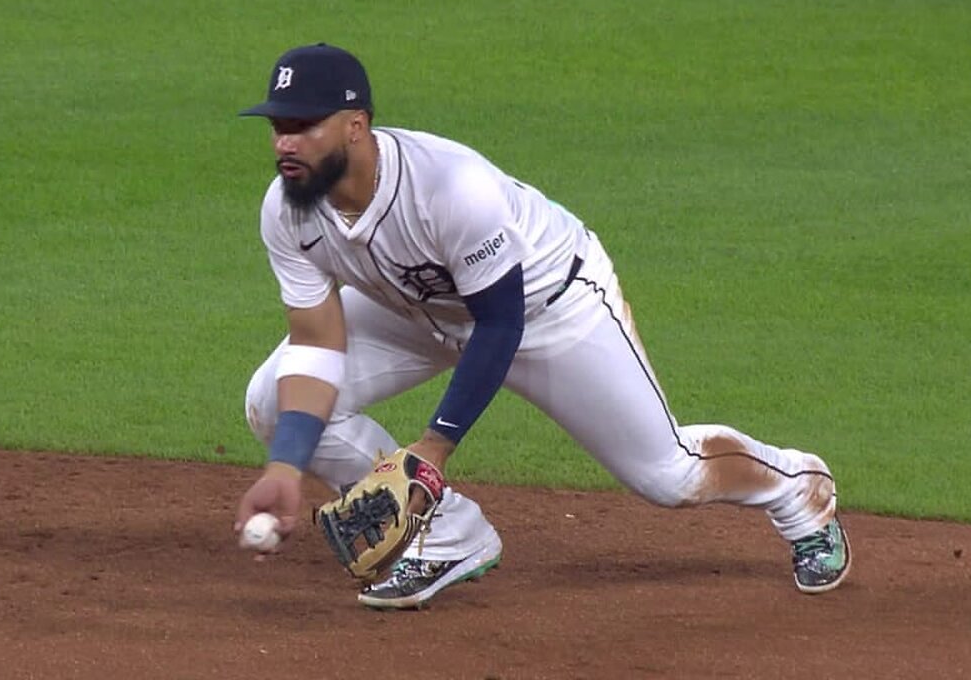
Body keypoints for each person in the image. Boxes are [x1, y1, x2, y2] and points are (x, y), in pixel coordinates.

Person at [232, 43, 851, 609]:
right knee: (273, 403)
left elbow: (501, 322)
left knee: (669, 474)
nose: (285, 143)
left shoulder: (448, 186)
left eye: (303, 126)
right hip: (418, 309)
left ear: (356, 125)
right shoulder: (287, 211)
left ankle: (800, 490)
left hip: (546, 306)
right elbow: (316, 343)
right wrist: (285, 466)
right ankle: (445, 533)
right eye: (278, 127)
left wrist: (432, 450)